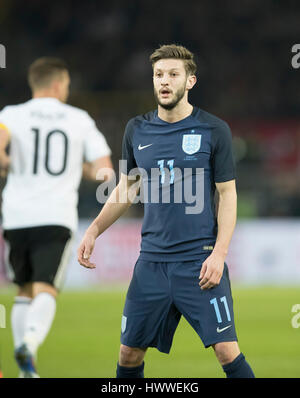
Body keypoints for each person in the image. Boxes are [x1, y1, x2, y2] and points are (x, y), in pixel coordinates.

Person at [78, 44, 255, 378]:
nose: (164, 81)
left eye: (173, 74)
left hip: (199, 261)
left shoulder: (214, 130)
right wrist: (94, 230)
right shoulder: (137, 129)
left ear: (190, 81)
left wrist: (219, 254)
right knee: (128, 354)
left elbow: (227, 195)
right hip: (151, 263)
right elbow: (127, 188)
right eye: (159, 74)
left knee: (226, 351)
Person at [0, 57, 113, 377]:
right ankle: (31, 344)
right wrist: (82, 168)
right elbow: (105, 170)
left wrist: (8, 164)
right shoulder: (78, 119)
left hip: (15, 216)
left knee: (23, 290)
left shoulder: (10, 115)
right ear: (58, 84)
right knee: (46, 287)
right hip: (54, 215)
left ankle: (26, 370)